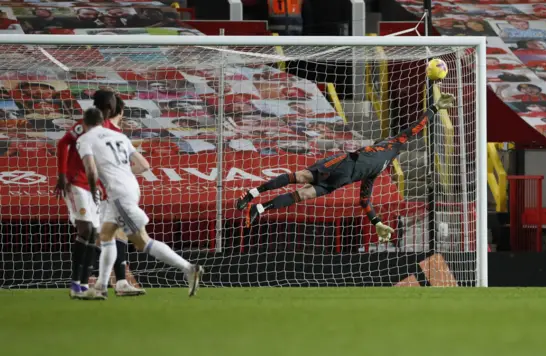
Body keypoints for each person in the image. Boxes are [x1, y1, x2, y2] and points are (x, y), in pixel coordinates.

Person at [236, 93, 455, 240]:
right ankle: (251, 194)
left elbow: (364, 199)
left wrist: (376, 221)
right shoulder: (390, 144)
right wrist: (434, 108)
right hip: (341, 163)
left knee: (300, 195)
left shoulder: (379, 169)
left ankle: (259, 209)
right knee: (300, 177)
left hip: (338, 182)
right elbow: (416, 127)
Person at [77, 108, 203, 300]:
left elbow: (91, 170)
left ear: (85, 124)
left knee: (143, 241)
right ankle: (104, 286)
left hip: (117, 192)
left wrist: (95, 188)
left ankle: (189, 268)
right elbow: (143, 165)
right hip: (129, 188)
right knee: (106, 234)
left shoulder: (85, 139)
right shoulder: (119, 137)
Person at [56, 91, 144, 298]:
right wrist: (62, 175)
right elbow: (63, 144)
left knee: (95, 233)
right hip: (79, 184)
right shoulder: (87, 127)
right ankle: (79, 285)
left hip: (96, 189)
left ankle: (84, 286)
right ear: (111, 109)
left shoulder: (111, 132)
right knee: (88, 231)